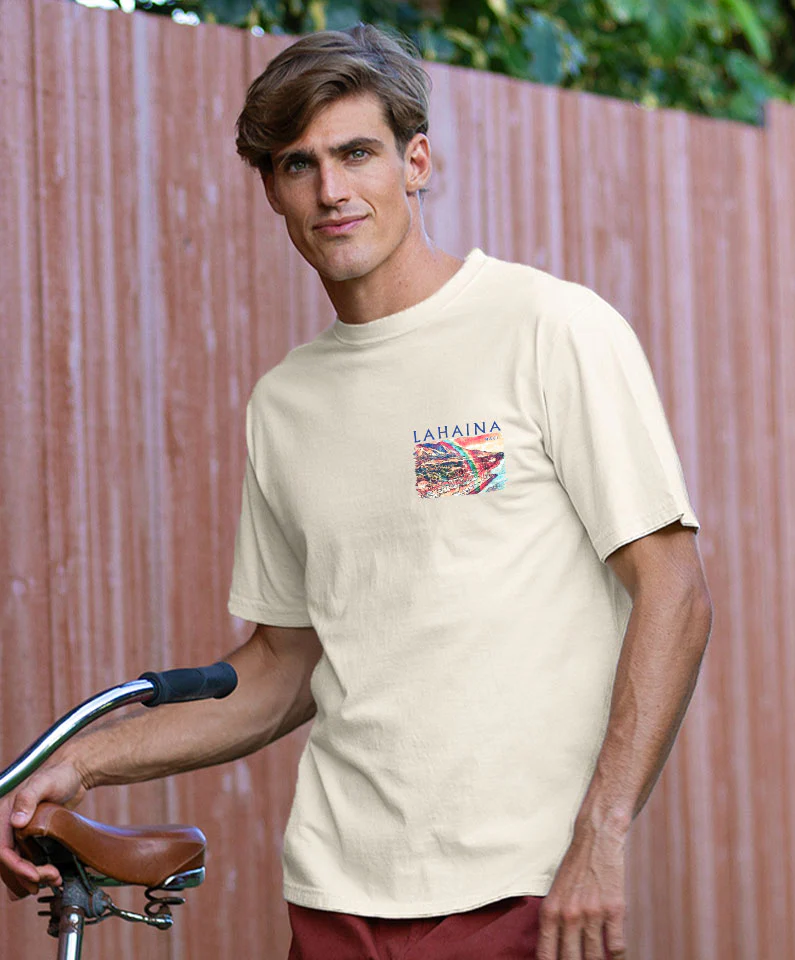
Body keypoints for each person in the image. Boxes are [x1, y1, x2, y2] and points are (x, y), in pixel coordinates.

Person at [0, 23, 712, 960]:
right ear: (272, 190)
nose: (331, 191)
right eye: (299, 164)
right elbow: (281, 668)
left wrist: (602, 833)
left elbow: (673, 593)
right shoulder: (284, 404)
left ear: (416, 161)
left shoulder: (550, 328)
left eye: (357, 154)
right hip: (334, 896)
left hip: (520, 887)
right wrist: (80, 764)